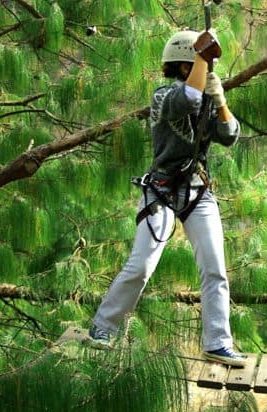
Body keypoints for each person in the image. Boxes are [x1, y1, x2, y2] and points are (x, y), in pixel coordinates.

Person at [88, 29, 247, 367]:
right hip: (160, 190)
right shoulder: (164, 96)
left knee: (215, 269)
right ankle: (103, 328)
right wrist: (206, 59)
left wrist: (220, 101)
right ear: (186, 66)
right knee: (142, 265)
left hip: (196, 190)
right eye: (201, 64)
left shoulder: (204, 99)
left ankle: (218, 342)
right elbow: (186, 100)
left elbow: (230, 135)